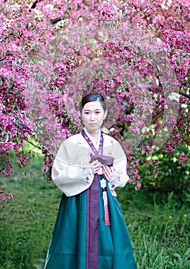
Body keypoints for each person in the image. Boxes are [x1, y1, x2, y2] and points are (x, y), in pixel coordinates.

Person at [44, 93, 137, 269]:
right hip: (77, 204)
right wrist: (84, 171)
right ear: (80, 114)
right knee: (73, 243)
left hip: (105, 202)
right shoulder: (71, 144)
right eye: (87, 113)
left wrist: (113, 176)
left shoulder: (112, 144)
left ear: (105, 114)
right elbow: (58, 173)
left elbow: (122, 176)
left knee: (108, 245)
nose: (92, 118)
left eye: (97, 112)